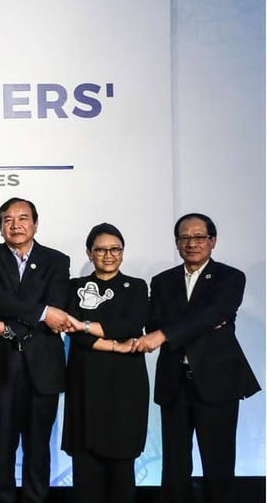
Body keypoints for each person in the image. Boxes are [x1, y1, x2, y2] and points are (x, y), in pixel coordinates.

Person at [133, 213, 260, 503]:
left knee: (218, 462)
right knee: (175, 465)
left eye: (199, 237)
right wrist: (199, 324)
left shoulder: (231, 277)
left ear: (212, 241)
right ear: (177, 243)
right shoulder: (163, 281)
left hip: (218, 381)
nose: (192, 243)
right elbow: (155, 323)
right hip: (174, 381)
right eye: (185, 237)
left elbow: (216, 313)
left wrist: (170, 332)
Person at [0, 197, 71, 503]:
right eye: (8, 219)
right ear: (0, 226)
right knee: (0, 446)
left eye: (23, 218)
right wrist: (42, 313)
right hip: (0, 363)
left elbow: (58, 306)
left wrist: (11, 323)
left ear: (36, 223)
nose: (15, 225)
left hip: (42, 366)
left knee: (38, 445)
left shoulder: (57, 260)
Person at [61, 223, 149, 503]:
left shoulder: (136, 286)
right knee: (86, 469)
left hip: (125, 385)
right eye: (101, 249)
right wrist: (113, 343)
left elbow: (131, 324)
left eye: (115, 249)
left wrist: (85, 326)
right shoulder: (73, 287)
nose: (108, 255)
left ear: (122, 252)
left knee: (122, 466)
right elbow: (71, 329)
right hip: (85, 383)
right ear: (89, 253)